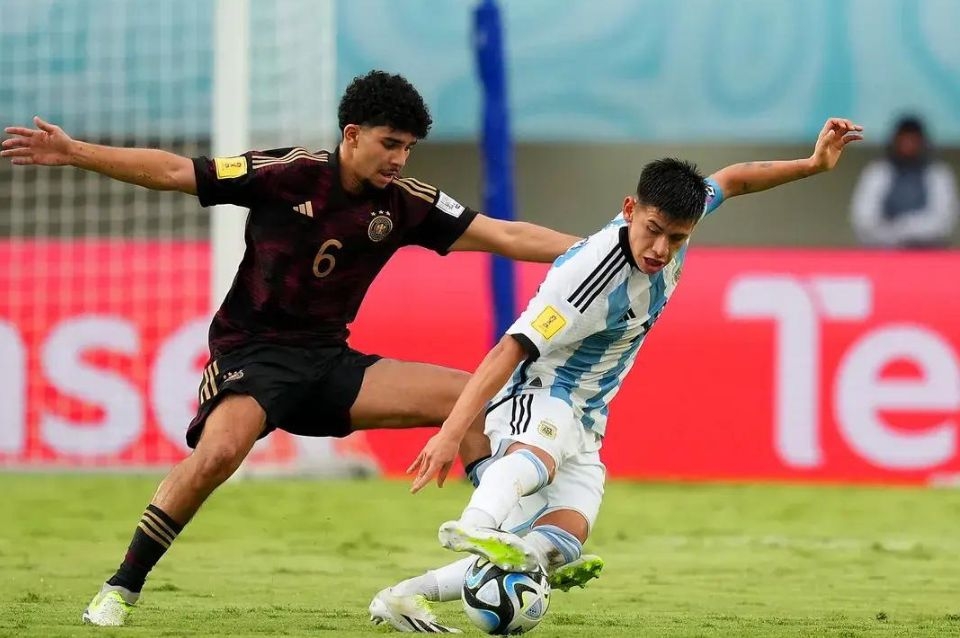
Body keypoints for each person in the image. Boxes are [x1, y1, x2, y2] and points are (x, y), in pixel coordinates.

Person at [1, 70, 580, 627]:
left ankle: (518, 543)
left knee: (472, 400)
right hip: (253, 355)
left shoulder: (406, 202)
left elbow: (505, 234)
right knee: (219, 454)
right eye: (390, 144)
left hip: (329, 363)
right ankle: (121, 587)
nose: (400, 159)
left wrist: (608, 247)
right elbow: (177, 171)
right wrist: (75, 152)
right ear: (351, 135)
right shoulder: (289, 174)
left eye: (408, 148)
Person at [369, 118, 864, 634]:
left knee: (563, 539)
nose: (661, 249)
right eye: (653, 230)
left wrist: (812, 164)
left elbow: (734, 179)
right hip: (542, 393)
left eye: (677, 237)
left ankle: (404, 596)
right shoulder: (587, 275)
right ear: (630, 209)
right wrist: (451, 434)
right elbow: (507, 350)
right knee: (542, 451)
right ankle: (475, 525)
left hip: (589, 415)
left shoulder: (680, 215)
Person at [850, 115, 958, 248]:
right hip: (883, 250)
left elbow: (943, 222)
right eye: (904, 140)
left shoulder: (938, 174)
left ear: (922, 143)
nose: (908, 145)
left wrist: (907, 229)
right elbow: (864, 220)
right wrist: (893, 235)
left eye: (913, 140)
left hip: (928, 251)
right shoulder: (877, 172)